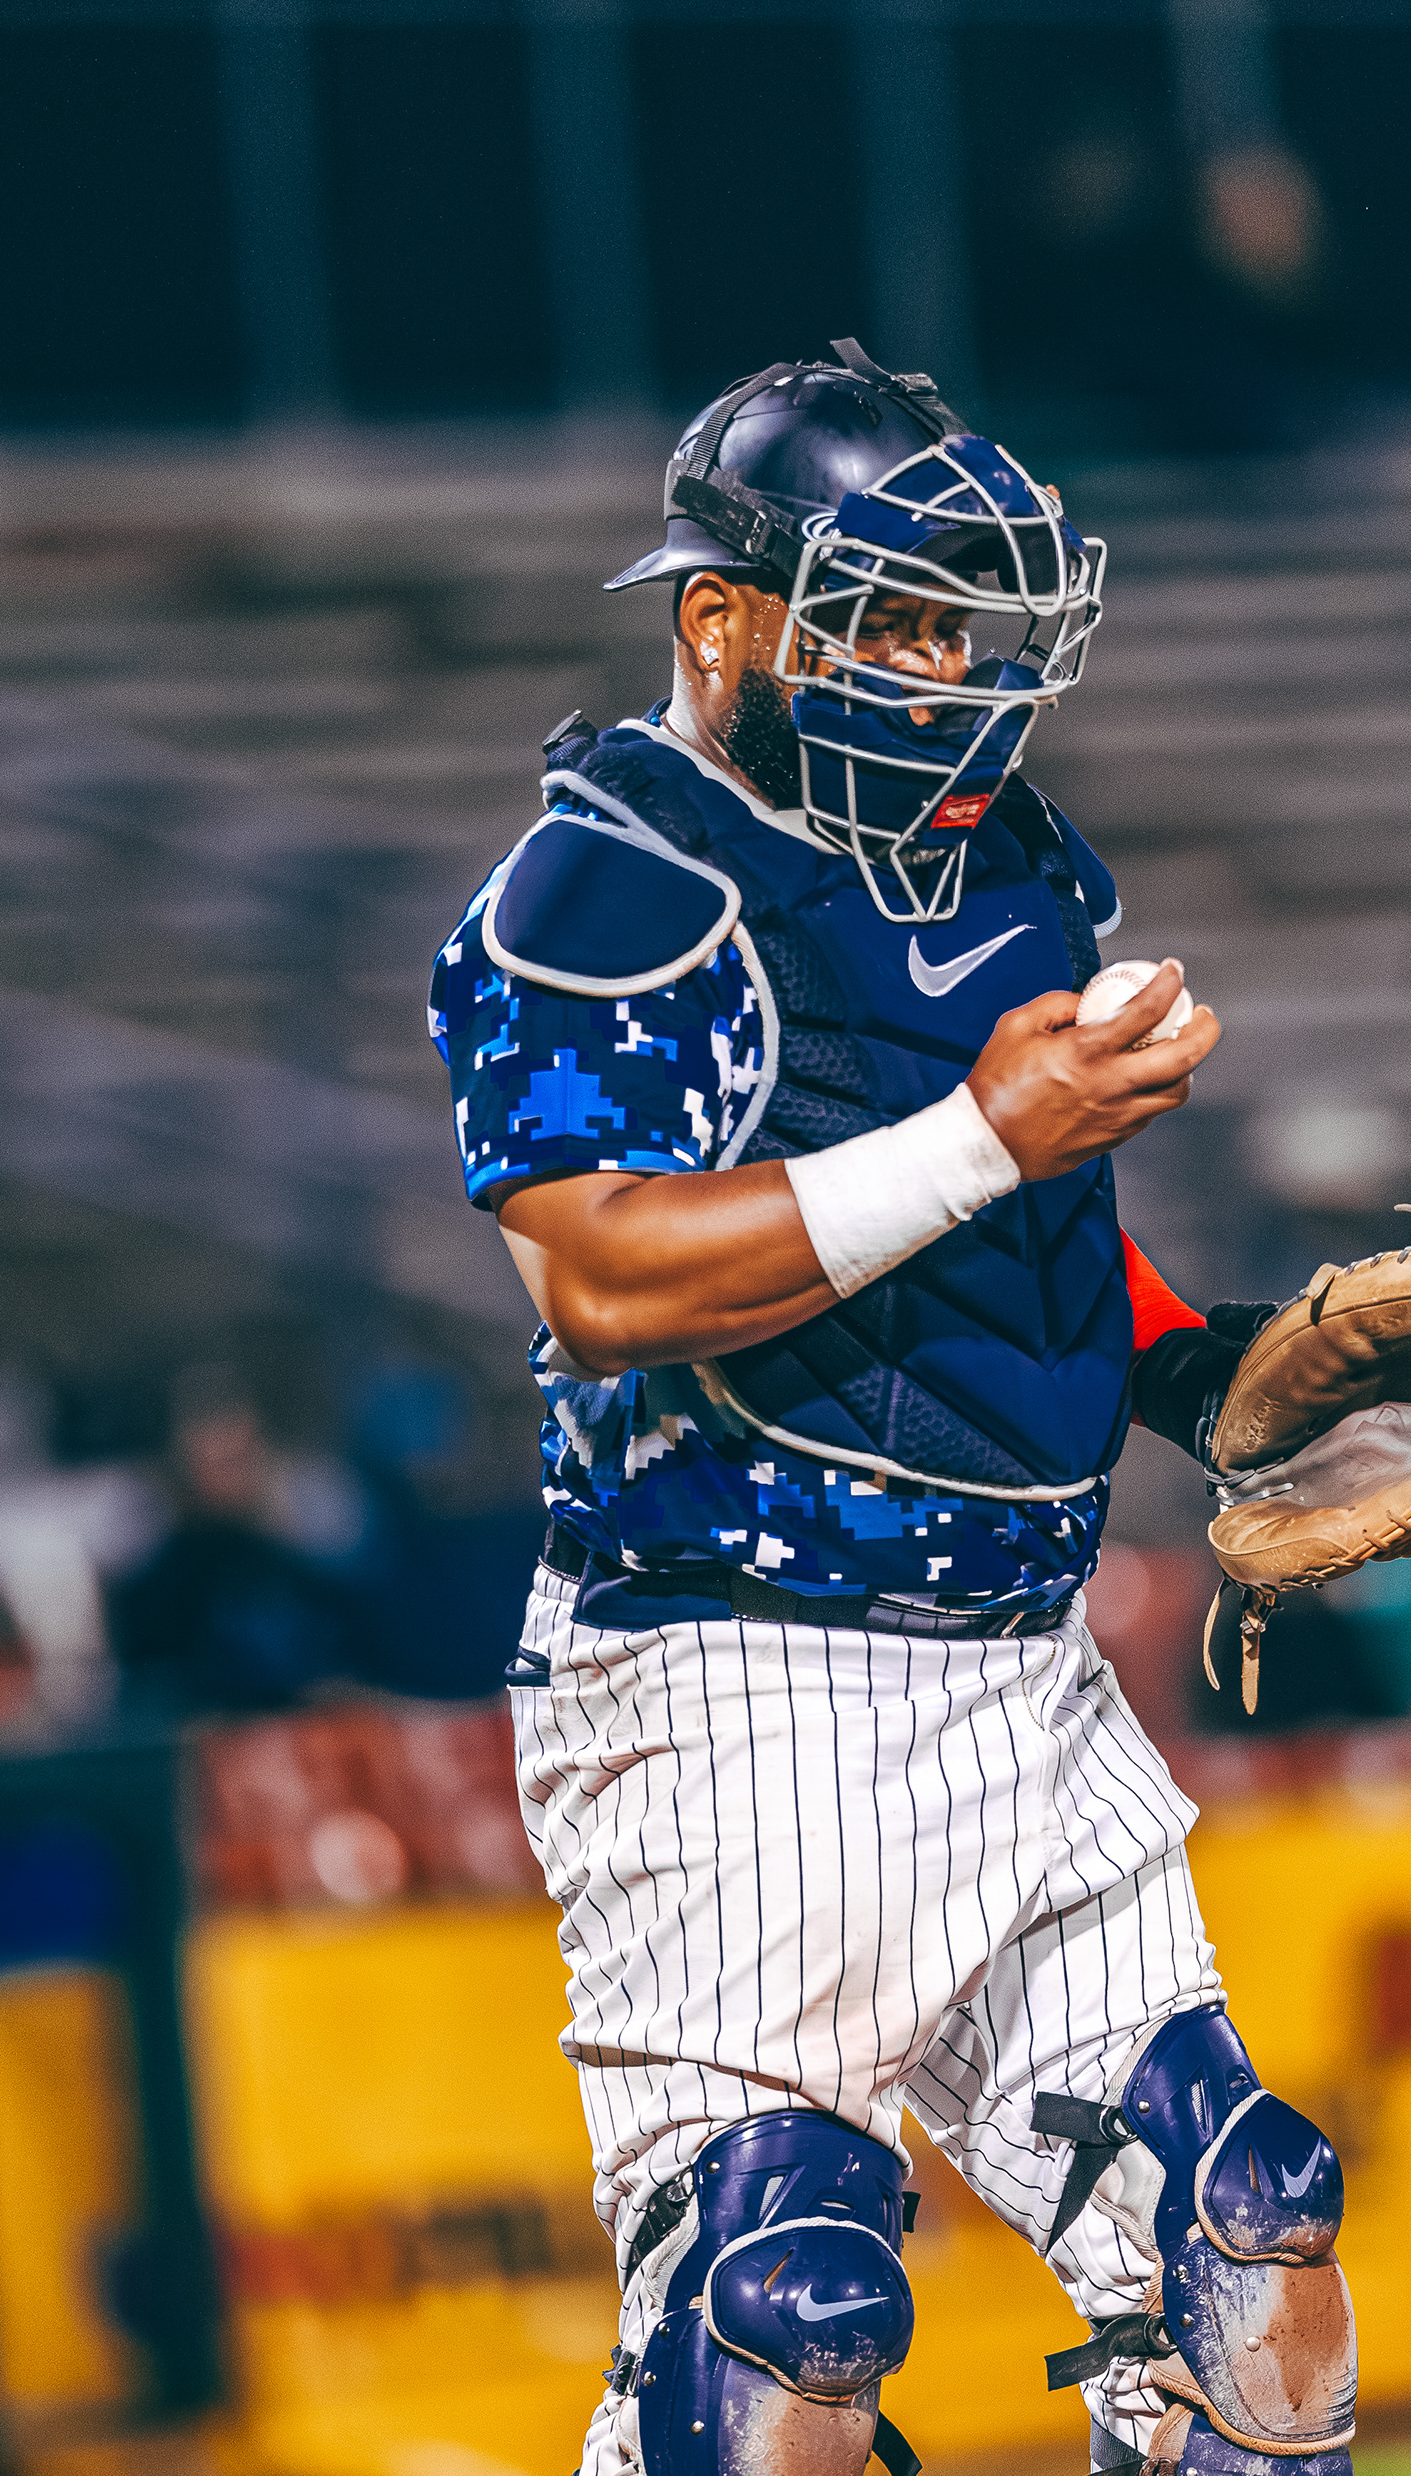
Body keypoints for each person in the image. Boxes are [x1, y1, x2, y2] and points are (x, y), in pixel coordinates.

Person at [428, 344, 1358, 2476]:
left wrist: (1204, 1376)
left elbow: (1031, 1241)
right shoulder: (607, 886)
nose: (951, 676)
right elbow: (600, 1277)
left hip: (1027, 1669)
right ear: (723, 622)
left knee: (1252, 2240)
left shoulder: (990, 858)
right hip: (740, 1674)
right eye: (896, 622)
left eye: (971, 626)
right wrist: (989, 1131)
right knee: (782, 2322)